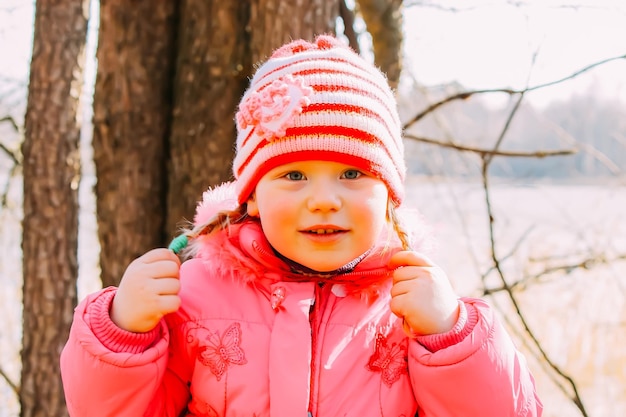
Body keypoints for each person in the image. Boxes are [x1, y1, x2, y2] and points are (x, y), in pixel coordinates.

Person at [60, 35, 543, 417]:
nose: (324, 201)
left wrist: (452, 336)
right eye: (293, 175)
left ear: (390, 194)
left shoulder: (412, 308)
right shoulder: (194, 296)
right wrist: (122, 332)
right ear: (250, 194)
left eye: (352, 174)